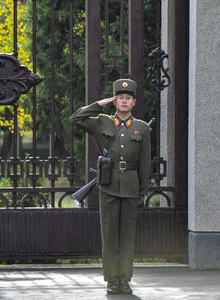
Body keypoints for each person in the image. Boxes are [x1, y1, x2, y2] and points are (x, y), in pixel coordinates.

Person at [70, 79, 151, 295]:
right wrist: (100, 103)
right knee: (110, 234)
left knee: (127, 235)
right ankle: (111, 280)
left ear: (134, 102)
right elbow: (76, 118)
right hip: (109, 185)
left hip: (132, 187)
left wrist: (143, 190)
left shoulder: (142, 128)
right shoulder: (101, 122)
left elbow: (145, 163)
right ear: (115, 101)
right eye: (120, 98)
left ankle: (125, 279)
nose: (124, 101)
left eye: (128, 98)